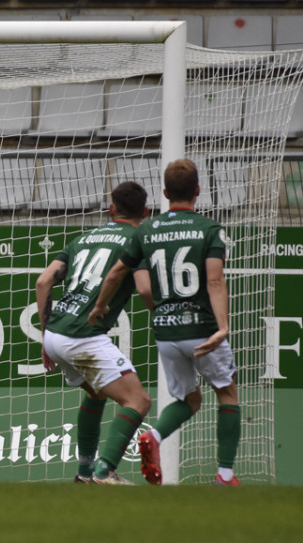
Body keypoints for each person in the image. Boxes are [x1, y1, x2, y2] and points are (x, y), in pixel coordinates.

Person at [89, 159, 241, 487]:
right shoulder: (209, 229)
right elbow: (215, 281)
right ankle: (225, 476)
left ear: (164, 192)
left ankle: (153, 437)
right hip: (201, 329)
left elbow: (117, 272)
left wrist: (100, 305)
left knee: (189, 400)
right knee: (226, 392)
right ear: (198, 191)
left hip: (166, 331)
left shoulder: (147, 230)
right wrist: (222, 327)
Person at [36, 181, 153, 485]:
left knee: (95, 392)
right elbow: (143, 288)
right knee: (138, 401)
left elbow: (43, 281)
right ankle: (105, 471)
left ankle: (85, 473)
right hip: (82, 336)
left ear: (111, 209)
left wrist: (45, 337)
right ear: (146, 211)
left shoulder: (83, 238)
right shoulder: (139, 239)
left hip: (57, 332)